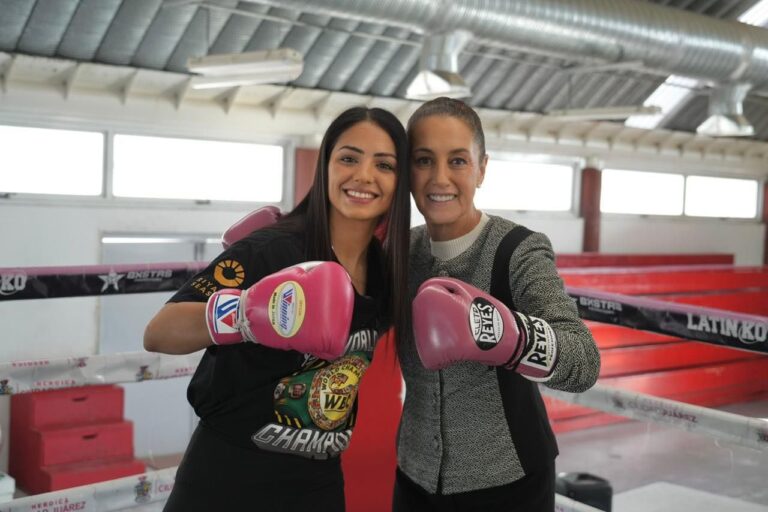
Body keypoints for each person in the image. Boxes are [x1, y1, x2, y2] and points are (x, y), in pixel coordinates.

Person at [143, 106, 411, 512]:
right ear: (326, 166)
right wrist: (250, 313)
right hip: (228, 476)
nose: (364, 176)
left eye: (384, 165)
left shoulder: (385, 274)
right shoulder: (275, 249)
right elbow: (159, 332)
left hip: (317, 481)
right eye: (349, 158)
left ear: (399, 181)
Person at [394, 97, 600, 511]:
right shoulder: (400, 253)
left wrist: (512, 338)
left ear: (481, 168)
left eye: (457, 161)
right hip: (414, 477)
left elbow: (584, 362)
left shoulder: (516, 250)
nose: (440, 178)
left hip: (508, 484)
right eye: (423, 160)